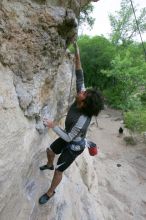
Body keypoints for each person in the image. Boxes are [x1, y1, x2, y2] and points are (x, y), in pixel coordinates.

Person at [39, 42, 104, 205]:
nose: (81, 91)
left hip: (75, 145)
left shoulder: (82, 120)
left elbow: (68, 138)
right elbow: (80, 74)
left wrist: (53, 125)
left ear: (85, 103)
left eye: (84, 93)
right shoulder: (81, 99)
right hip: (69, 136)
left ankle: (50, 192)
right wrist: (77, 53)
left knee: (60, 170)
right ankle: (48, 164)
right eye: (84, 90)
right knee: (50, 151)